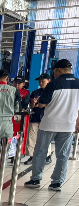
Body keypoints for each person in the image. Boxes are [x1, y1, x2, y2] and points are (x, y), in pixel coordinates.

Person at [25, 59, 79, 191]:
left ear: (59, 70)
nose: (54, 74)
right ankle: (56, 183)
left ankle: (35, 179)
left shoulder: (53, 84)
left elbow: (42, 104)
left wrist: (39, 103)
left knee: (40, 152)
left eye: (54, 71)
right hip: (68, 125)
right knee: (63, 155)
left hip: (49, 124)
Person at [23, 73, 52, 165]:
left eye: (43, 81)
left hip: (46, 117)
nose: (41, 83)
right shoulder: (35, 93)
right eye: (39, 81)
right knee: (31, 137)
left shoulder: (52, 92)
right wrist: (33, 102)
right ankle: (32, 156)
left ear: (48, 81)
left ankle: (47, 156)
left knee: (46, 138)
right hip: (35, 116)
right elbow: (31, 107)